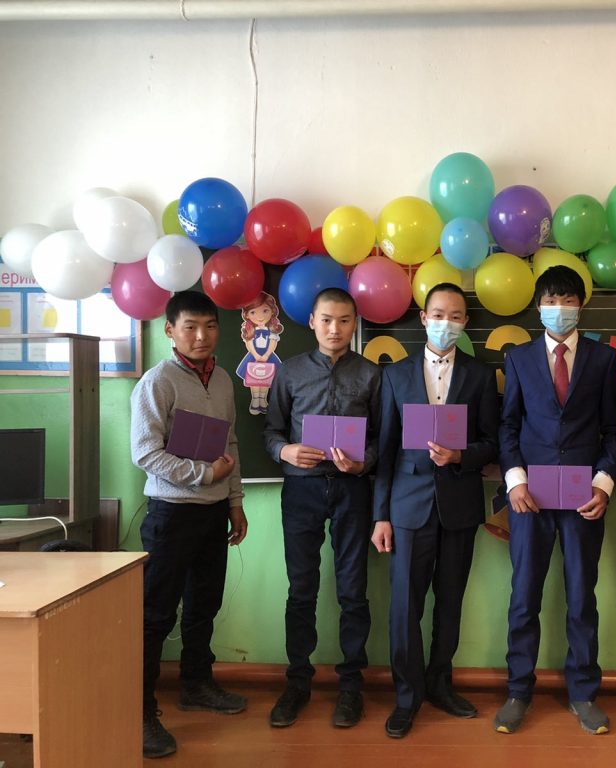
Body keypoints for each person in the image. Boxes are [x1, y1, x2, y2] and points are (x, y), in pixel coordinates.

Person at [495, 265, 616, 736]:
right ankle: (517, 692)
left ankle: (584, 692)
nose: (559, 308)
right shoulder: (519, 358)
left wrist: (603, 484)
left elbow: (613, 430)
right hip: (530, 499)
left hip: (584, 498)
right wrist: (515, 481)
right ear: (538, 306)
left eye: (568, 300)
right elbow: (509, 425)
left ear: (580, 307)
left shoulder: (604, 359)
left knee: (581, 597)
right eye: (551, 300)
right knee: (524, 595)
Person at [371, 282, 500, 738]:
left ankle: (440, 684)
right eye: (439, 314)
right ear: (424, 319)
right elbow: (385, 450)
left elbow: (492, 442)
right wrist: (380, 515)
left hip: (459, 505)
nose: (447, 323)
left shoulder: (480, 376)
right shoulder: (395, 375)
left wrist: (461, 455)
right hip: (407, 508)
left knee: (450, 602)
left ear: (465, 322)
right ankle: (406, 697)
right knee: (405, 607)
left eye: (456, 316)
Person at [130, 290, 249, 760]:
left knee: (204, 605)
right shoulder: (157, 382)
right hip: (171, 513)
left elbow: (231, 444)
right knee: (156, 614)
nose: (202, 336)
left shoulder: (222, 379)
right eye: (191, 327)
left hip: (213, 513)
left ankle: (196, 685)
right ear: (170, 331)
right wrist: (203, 474)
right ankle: (140, 712)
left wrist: (234, 501)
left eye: (210, 326)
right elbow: (145, 453)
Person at [263, 287, 381, 730]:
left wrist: (363, 462)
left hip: (353, 491)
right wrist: (286, 451)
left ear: (354, 324)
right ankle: (297, 682)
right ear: (312, 322)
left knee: (353, 591)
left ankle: (351, 686)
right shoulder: (289, 372)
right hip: (302, 490)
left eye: (344, 321)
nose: (335, 329)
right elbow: (271, 431)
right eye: (327, 320)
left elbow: (381, 439)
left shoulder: (372, 375)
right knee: (301, 589)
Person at [235, 291, 284, 415]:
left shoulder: (271, 329)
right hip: (254, 357)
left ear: (272, 311)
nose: (260, 316)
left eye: (265, 311)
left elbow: (273, 343)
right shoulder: (250, 329)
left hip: (268, 357)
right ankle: (255, 400)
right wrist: (256, 355)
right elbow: (249, 343)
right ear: (247, 315)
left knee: (266, 380)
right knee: (254, 379)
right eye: (253, 312)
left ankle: (263, 400)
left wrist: (266, 355)